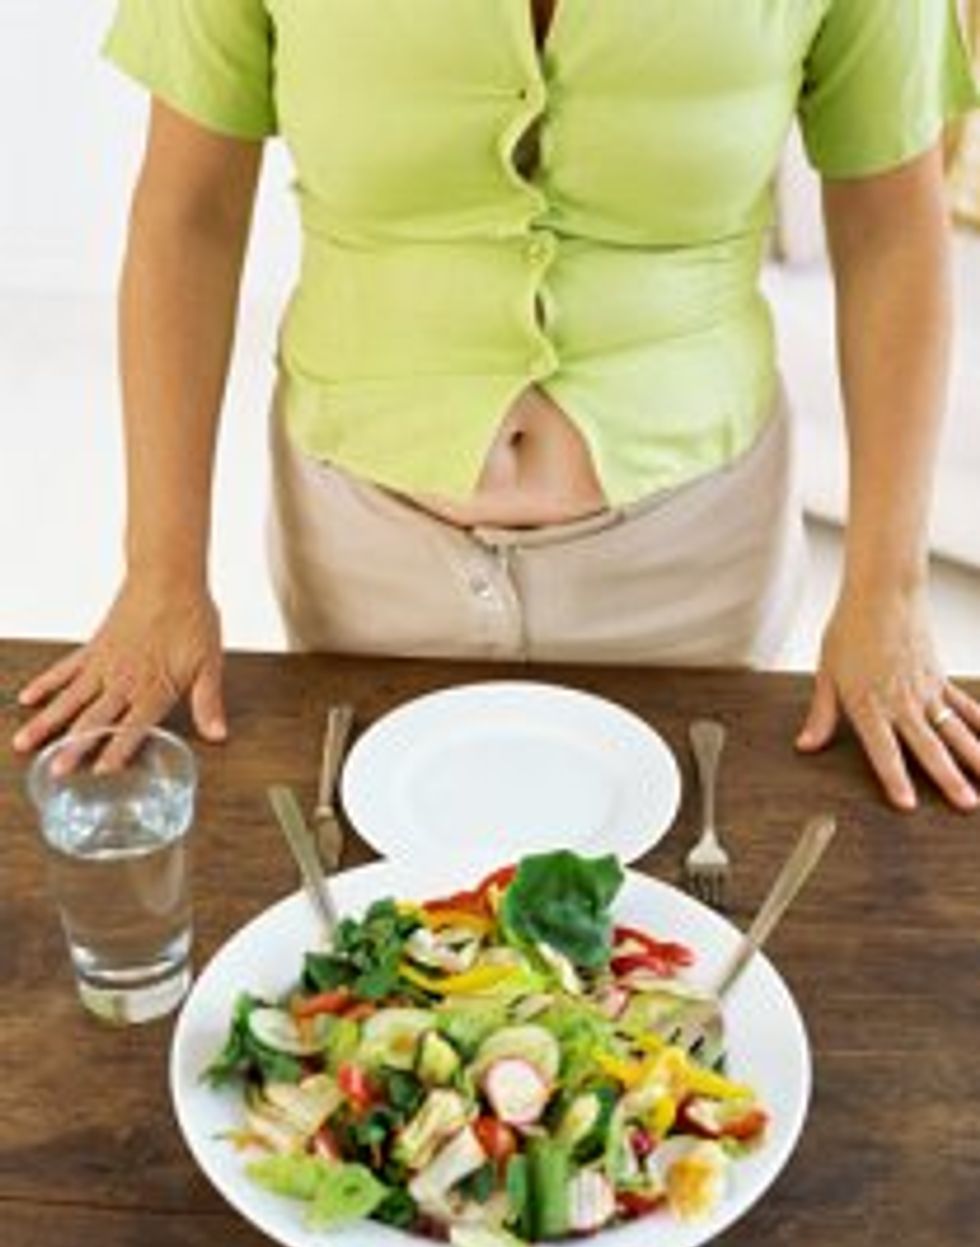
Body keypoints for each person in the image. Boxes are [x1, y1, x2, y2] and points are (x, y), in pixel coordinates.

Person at [12, 0, 980, 811]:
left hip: (693, 557)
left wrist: (885, 590)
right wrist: (159, 572)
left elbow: (892, 229)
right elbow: (189, 215)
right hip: (361, 551)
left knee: (686, 949)